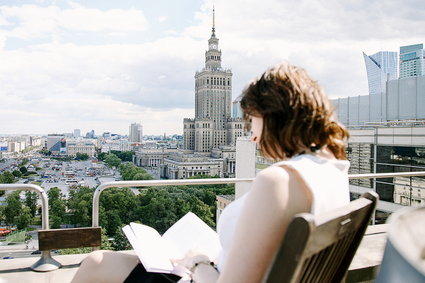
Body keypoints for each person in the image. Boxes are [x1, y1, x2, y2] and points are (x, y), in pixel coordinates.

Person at [71, 62, 350, 283]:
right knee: (106, 262)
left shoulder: (279, 181)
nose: (252, 136)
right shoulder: (333, 171)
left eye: (252, 121)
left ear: (275, 116)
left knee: (96, 263)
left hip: (205, 275)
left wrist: (198, 261)